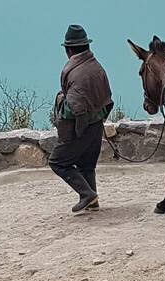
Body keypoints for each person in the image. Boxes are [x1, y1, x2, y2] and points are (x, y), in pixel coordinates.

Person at [51, 24, 112, 212]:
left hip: (82, 126)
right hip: (97, 123)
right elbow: (107, 98)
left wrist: (61, 101)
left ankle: (87, 194)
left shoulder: (76, 73)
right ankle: (92, 201)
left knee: (58, 161)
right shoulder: (97, 67)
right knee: (86, 165)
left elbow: (74, 109)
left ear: (69, 50)